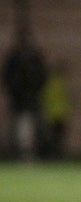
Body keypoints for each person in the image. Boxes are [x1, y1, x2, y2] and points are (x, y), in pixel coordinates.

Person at [2, 30, 48, 161]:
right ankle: (23, 152)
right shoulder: (20, 58)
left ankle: (28, 152)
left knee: (27, 125)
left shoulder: (29, 58)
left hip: (29, 99)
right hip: (21, 99)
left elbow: (41, 77)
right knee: (22, 125)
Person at [42, 60, 71, 159]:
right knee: (58, 137)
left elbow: (46, 99)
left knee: (54, 136)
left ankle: (54, 154)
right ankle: (56, 155)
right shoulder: (59, 83)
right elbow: (64, 99)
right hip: (58, 114)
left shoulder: (50, 83)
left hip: (52, 113)